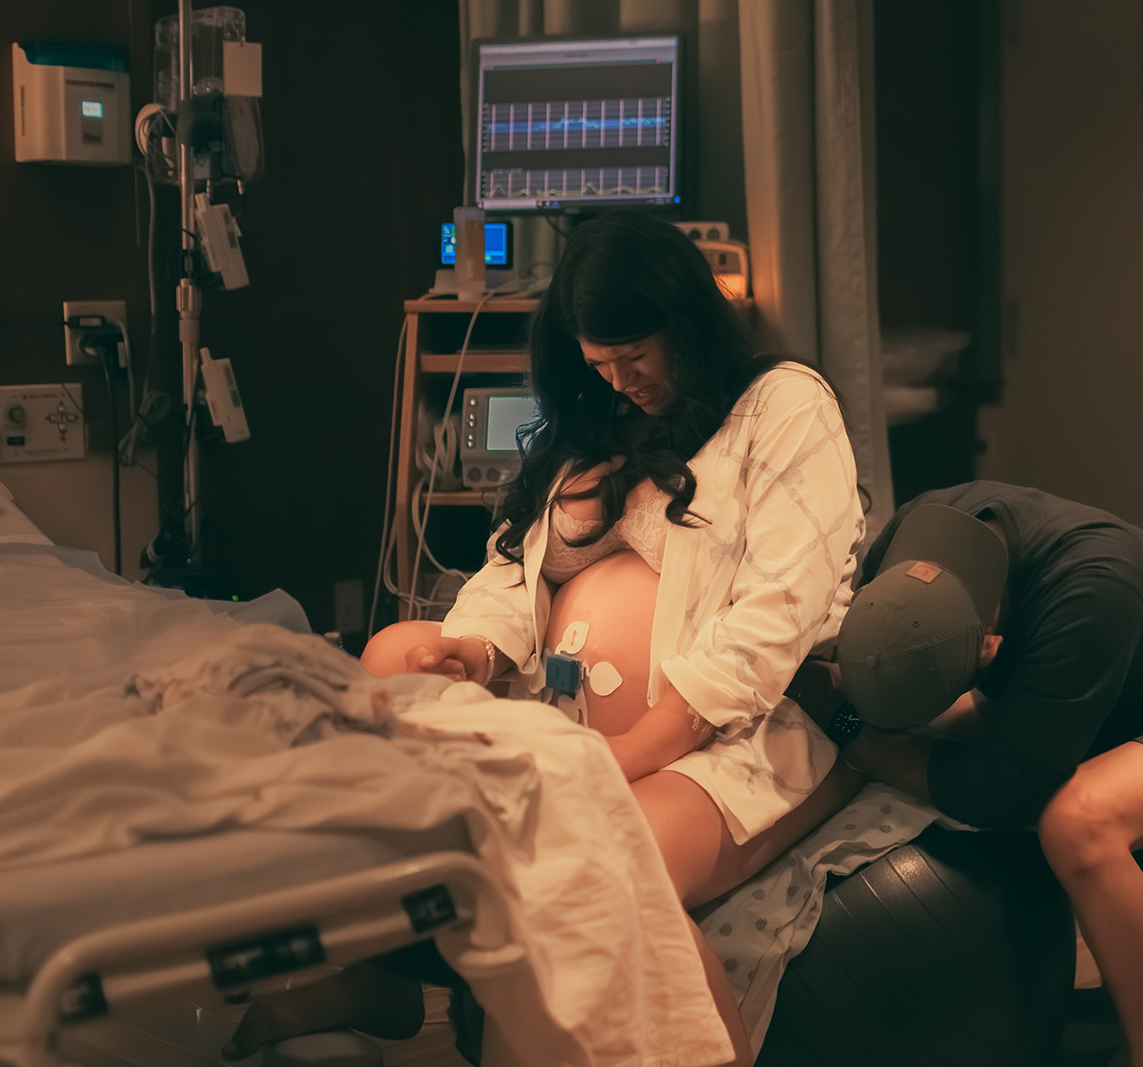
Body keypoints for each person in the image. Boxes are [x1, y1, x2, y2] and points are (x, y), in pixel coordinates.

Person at [226, 212, 865, 1065]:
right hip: (572, 719)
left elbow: (771, 621)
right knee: (389, 663)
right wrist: (479, 650)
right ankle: (382, 970)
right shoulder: (604, 423)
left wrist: (629, 753)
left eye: (635, 357)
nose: (622, 382)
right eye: (600, 366)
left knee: (597, 855)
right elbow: (514, 566)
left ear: (685, 319)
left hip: (732, 735)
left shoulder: (780, 407)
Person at [797, 481, 1143, 1067]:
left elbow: (1005, 792)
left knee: (1077, 823)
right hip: (1117, 695)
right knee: (932, 737)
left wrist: (854, 735)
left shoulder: (1091, 593)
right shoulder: (921, 528)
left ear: (991, 650)